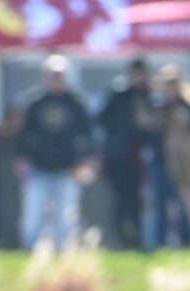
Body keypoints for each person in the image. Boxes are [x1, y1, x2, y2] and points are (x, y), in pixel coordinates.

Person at [17, 55, 96, 251]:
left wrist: (88, 160)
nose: (56, 79)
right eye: (53, 75)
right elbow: (24, 134)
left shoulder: (76, 103)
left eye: (60, 75)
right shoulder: (36, 102)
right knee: (34, 212)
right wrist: (22, 160)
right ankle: (29, 248)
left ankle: (64, 249)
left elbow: (89, 134)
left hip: (68, 167)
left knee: (66, 214)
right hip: (39, 167)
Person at [97, 58, 159, 251]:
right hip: (118, 156)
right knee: (121, 199)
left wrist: (145, 126)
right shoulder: (119, 95)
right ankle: (120, 239)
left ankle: (137, 238)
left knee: (137, 200)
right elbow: (103, 120)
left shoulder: (150, 97)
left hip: (139, 158)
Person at [154, 66, 190, 246]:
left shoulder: (189, 104)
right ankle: (162, 241)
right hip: (165, 160)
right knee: (165, 203)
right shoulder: (159, 107)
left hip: (187, 158)